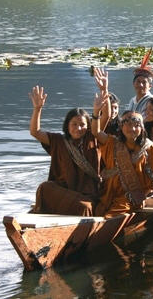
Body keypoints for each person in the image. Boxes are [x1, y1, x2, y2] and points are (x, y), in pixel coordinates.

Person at [90, 69, 153, 218]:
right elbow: (95, 132)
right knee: (95, 209)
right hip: (107, 193)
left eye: (136, 125)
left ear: (142, 128)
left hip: (130, 197)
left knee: (113, 214)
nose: (132, 128)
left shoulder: (148, 147)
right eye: (127, 123)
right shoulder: (112, 142)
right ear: (121, 127)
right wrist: (96, 111)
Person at [28, 81, 110, 216]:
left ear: (88, 126)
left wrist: (104, 90)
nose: (78, 128)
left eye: (82, 124)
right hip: (65, 192)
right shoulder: (58, 141)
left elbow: (105, 116)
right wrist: (37, 108)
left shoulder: (93, 137)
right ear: (67, 125)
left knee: (83, 207)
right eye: (74, 124)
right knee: (45, 187)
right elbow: (35, 132)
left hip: (87, 195)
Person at [127, 49, 153, 119]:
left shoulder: (151, 101)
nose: (140, 85)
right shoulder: (132, 100)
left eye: (144, 82)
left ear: (150, 86)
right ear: (133, 84)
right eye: (138, 81)